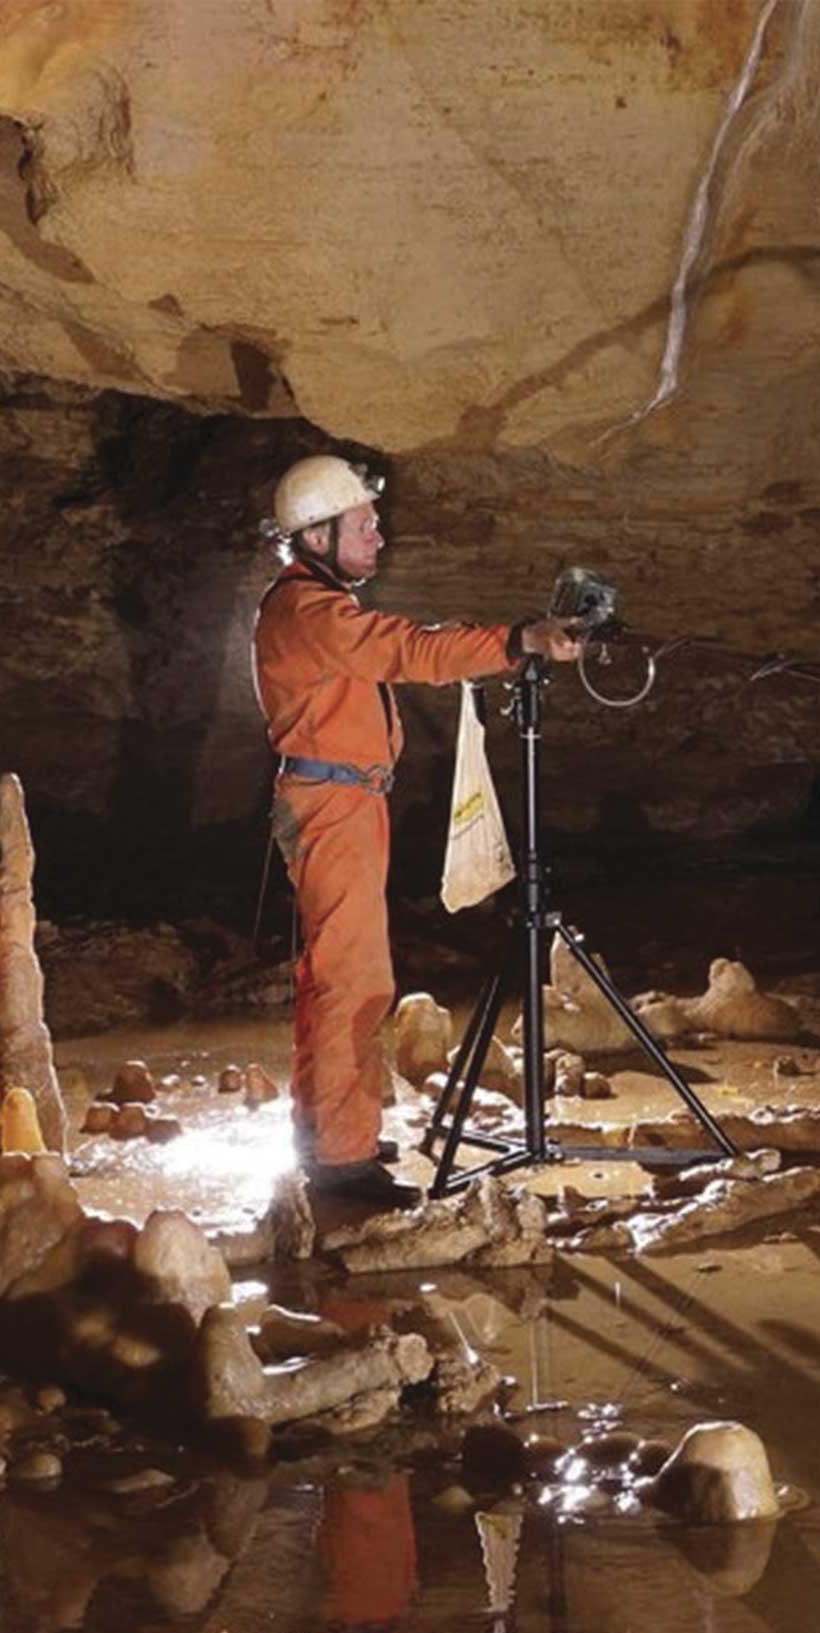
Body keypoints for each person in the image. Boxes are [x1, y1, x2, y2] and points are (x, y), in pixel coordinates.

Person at [252, 455, 583, 1211]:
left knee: (331, 977)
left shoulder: (310, 605)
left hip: (341, 802)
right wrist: (517, 640)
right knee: (355, 982)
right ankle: (342, 1158)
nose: (379, 535)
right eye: (364, 525)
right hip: (333, 808)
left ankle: (330, 1131)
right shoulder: (310, 611)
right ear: (320, 535)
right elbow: (409, 650)